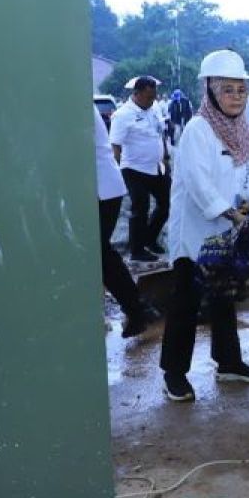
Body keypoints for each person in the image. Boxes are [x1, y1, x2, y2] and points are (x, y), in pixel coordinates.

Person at [159, 50, 249, 402]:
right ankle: (174, 373)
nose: (236, 97)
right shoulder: (198, 129)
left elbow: (248, 172)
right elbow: (197, 183)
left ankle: (229, 362)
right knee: (186, 302)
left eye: (241, 90)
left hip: (225, 233)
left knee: (223, 297)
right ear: (209, 91)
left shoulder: (242, 131)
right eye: (228, 90)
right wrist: (230, 212)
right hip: (194, 234)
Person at [92, 105, 159, 337]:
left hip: (102, 190)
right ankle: (137, 308)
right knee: (101, 252)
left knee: (99, 252)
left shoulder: (76, 101)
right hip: (101, 188)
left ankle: (137, 308)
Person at [109, 76, 171, 262]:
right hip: (133, 169)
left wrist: (166, 158)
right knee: (140, 208)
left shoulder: (154, 109)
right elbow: (116, 146)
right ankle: (137, 250)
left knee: (165, 205)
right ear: (136, 94)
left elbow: (160, 135)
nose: (152, 100)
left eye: (154, 96)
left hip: (156, 167)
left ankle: (150, 239)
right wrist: (116, 174)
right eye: (148, 96)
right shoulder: (123, 115)